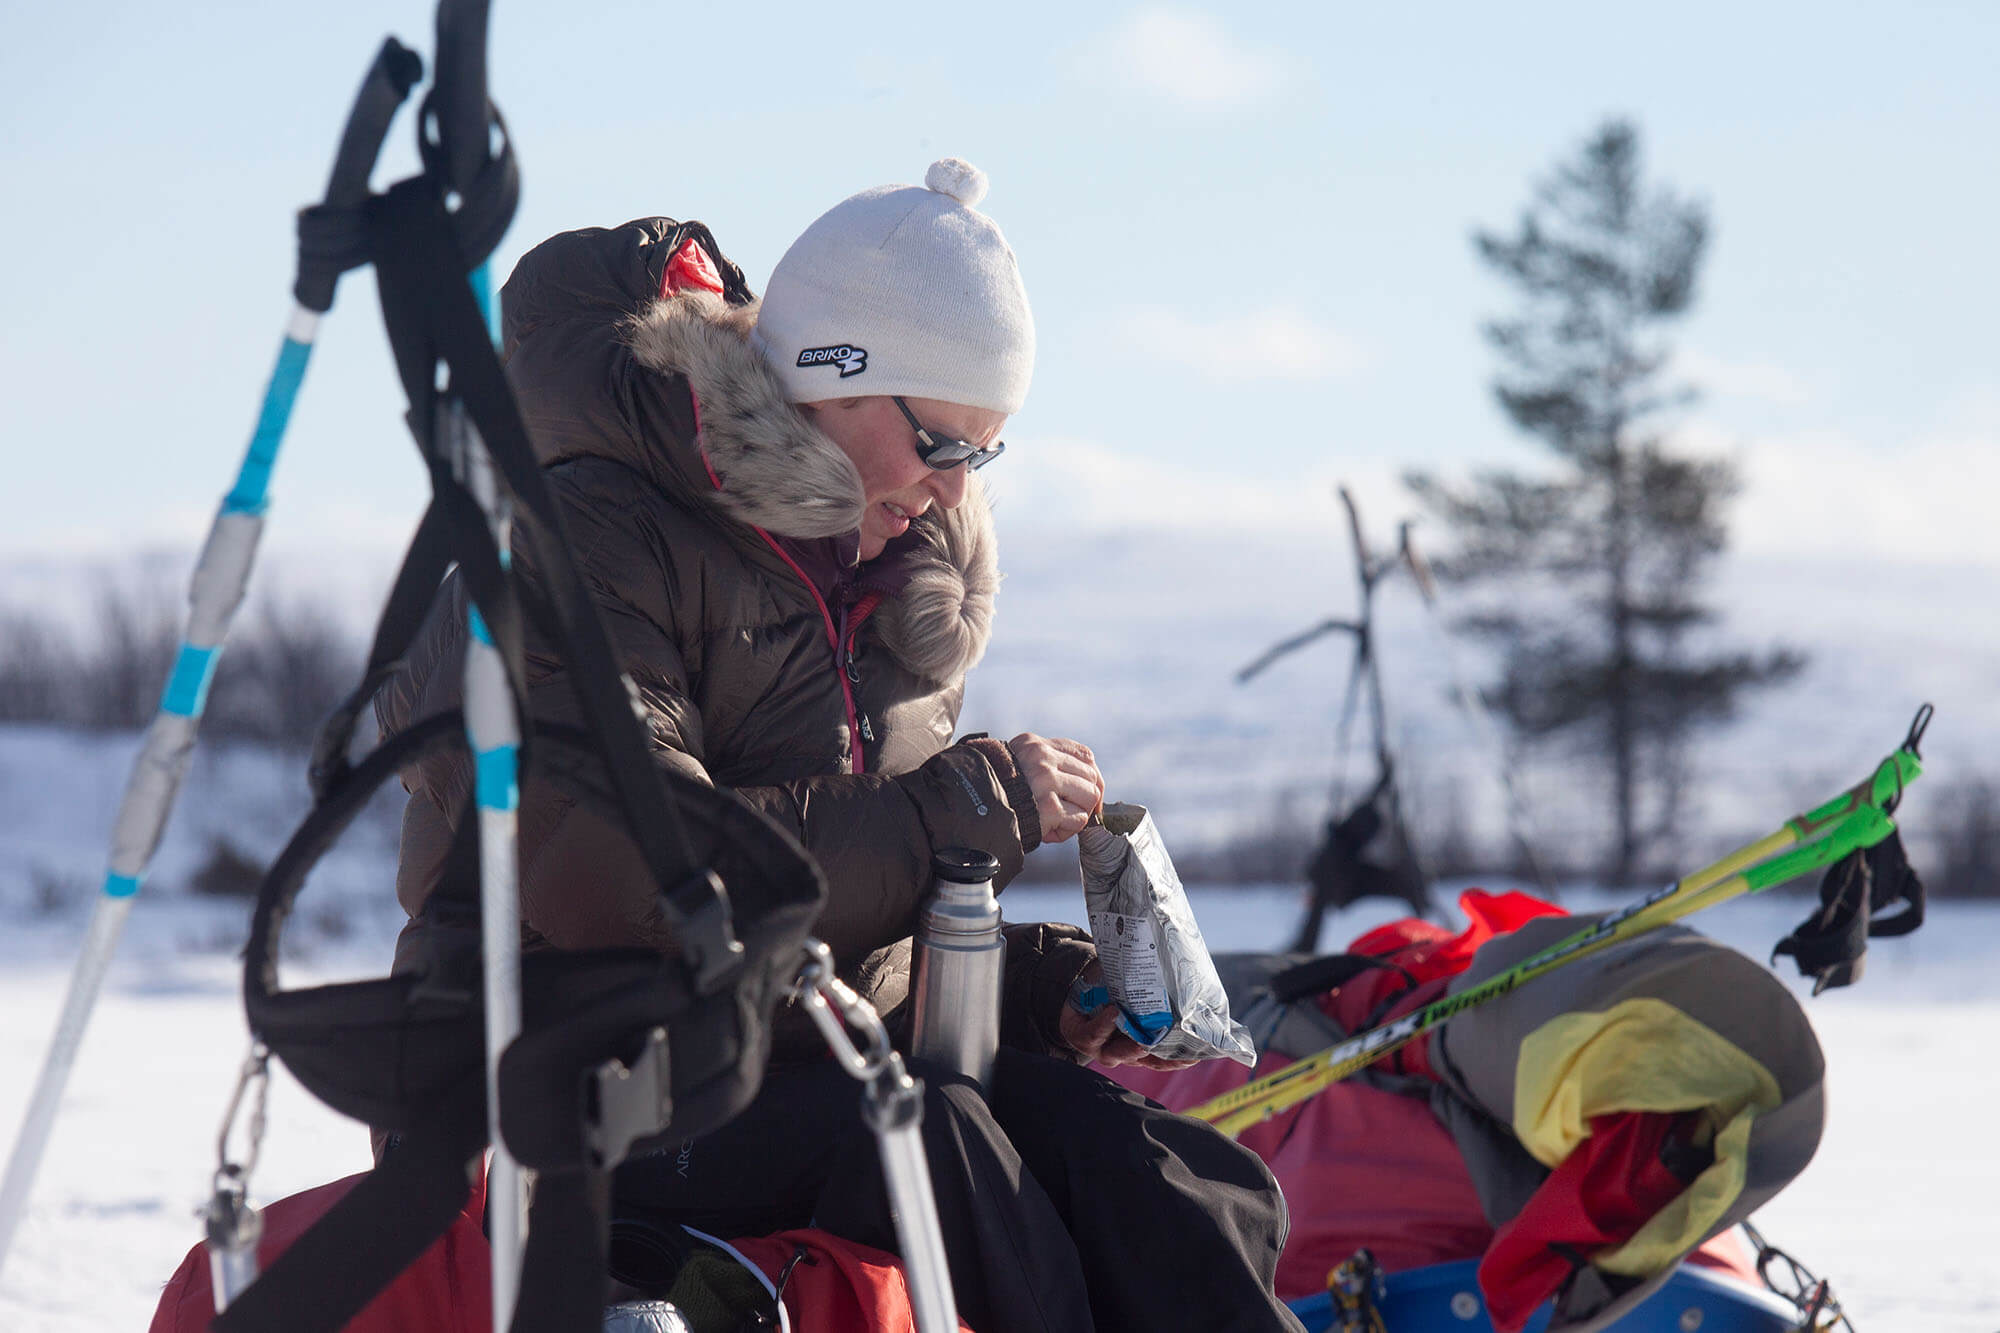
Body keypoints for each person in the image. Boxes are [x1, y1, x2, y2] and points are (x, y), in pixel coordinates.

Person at [378, 158, 1304, 1333]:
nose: (950, 485)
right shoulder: (595, 535)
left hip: (785, 1065)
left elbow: (839, 928)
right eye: (937, 440)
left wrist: (1035, 992)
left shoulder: (879, 586)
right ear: (830, 372)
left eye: (982, 452)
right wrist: (958, 811)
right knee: (950, 1155)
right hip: (562, 1092)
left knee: (1152, 1173)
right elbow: (633, 874)